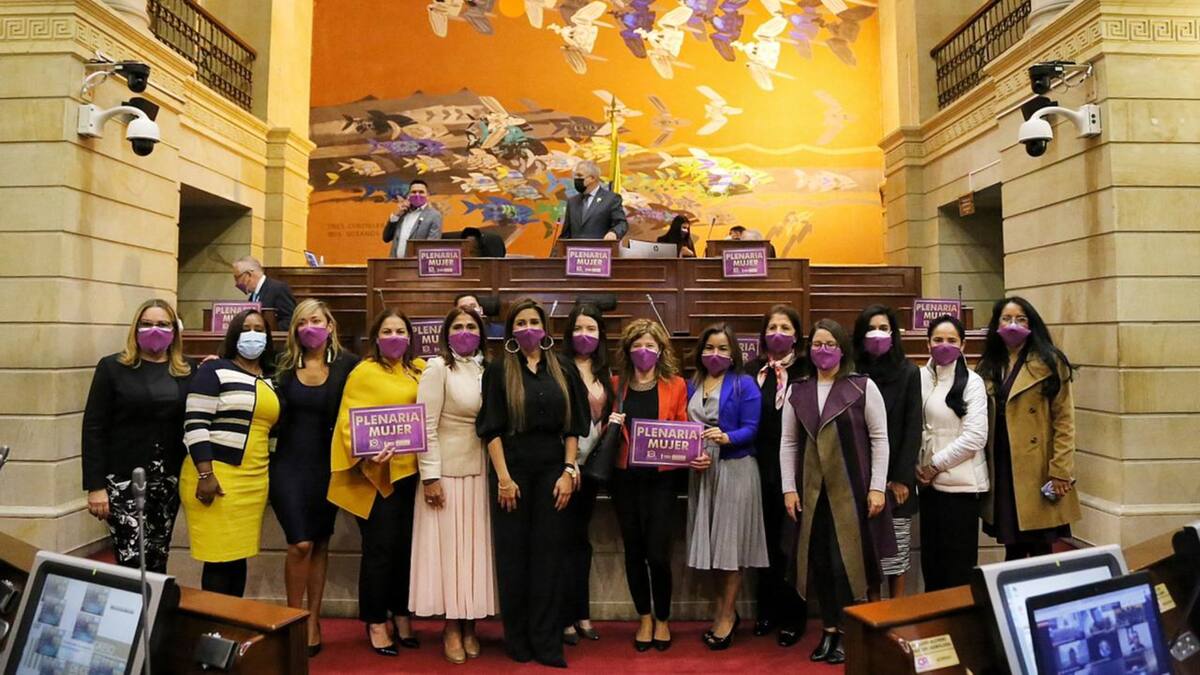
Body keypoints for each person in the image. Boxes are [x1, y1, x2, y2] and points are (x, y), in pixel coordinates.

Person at [476, 299, 589, 668]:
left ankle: (546, 640)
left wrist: (569, 471)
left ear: (545, 328)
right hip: (512, 472)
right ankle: (518, 639)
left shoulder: (563, 368)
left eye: (534, 322)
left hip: (553, 471)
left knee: (549, 557)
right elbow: (491, 429)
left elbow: (573, 426)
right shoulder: (498, 370)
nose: (528, 329)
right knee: (514, 557)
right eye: (521, 323)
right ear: (511, 330)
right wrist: (503, 479)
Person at [780, 318, 894, 665]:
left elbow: (880, 440)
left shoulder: (862, 386)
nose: (823, 350)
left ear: (842, 349)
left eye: (830, 344)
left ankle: (846, 632)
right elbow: (788, 442)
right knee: (820, 564)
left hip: (852, 491)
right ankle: (828, 630)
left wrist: (877, 488)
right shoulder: (797, 390)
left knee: (845, 563)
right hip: (812, 493)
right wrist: (788, 489)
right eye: (817, 344)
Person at [329, 309, 426, 656]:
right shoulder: (363, 372)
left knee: (405, 549)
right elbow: (347, 422)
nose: (394, 337)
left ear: (410, 336)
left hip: (412, 474)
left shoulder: (420, 370)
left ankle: (400, 612)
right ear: (376, 337)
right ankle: (374, 619)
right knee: (380, 550)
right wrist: (367, 452)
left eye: (400, 330)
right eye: (387, 331)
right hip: (375, 476)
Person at [270, 299, 360, 656]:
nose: (310, 327)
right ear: (294, 329)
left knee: (321, 542)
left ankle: (312, 621)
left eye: (316, 320)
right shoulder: (281, 364)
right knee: (301, 543)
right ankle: (293, 619)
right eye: (302, 322)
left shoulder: (349, 365)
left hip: (329, 465)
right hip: (288, 464)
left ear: (330, 325)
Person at [410, 306, 495, 664]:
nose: (464, 332)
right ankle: (451, 627)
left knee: (474, 554)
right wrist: (430, 476)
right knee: (450, 554)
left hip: (482, 473)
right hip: (446, 474)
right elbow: (425, 425)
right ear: (446, 334)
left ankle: (471, 623)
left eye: (471, 326)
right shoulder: (437, 369)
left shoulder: (488, 369)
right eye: (457, 326)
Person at [82, 299, 193, 574]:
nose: (155, 330)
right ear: (135, 328)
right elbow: (94, 428)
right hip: (123, 478)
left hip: (167, 480)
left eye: (163, 324)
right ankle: (132, 601)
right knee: (131, 556)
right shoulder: (112, 367)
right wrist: (95, 486)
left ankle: (153, 603)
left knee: (158, 554)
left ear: (174, 331)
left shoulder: (188, 370)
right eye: (147, 324)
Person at [180, 308, 279, 598]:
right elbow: (195, 422)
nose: (253, 334)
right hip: (216, 476)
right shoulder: (214, 370)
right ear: (234, 334)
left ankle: (232, 620)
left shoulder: (271, 378)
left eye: (259, 329)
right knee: (219, 559)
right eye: (246, 328)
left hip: (254, 478)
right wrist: (206, 474)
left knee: (238, 557)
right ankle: (215, 622)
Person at [605, 319, 690, 652]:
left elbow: (683, 428)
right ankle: (644, 617)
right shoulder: (616, 384)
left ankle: (663, 617)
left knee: (657, 552)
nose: (644, 351)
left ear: (661, 350)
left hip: (662, 479)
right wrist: (610, 424)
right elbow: (602, 431)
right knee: (634, 551)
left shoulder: (676, 385)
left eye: (650, 345)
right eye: (637, 345)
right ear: (628, 350)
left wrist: (693, 452)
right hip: (624, 479)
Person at [976, 296, 1079, 560]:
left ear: (1031, 324)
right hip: (1001, 463)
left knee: (1041, 545)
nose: (1013, 325)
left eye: (1020, 319)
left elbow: (1064, 421)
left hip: (1037, 466)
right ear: (997, 324)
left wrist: (1060, 471)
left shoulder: (1050, 362)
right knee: (1012, 545)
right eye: (1006, 319)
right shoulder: (989, 365)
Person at [686, 323, 768, 651]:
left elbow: (752, 428)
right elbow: (682, 429)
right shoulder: (692, 383)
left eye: (722, 348)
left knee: (730, 548)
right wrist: (690, 455)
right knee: (713, 547)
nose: (715, 354)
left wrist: (727, 437)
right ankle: (722, 609)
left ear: (733, 353)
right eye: (709, 348)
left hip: (735, 469)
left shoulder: (744, 383)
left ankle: (727, 614)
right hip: (703, 473)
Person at [744, 305, 808, 645]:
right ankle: (766, 610)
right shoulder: (750, 371)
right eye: (772, 327)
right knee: (764, 543)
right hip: (758, 467)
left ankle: (793, 615)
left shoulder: (807, 370)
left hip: (797, 470)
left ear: (796, 335)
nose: (778, 333)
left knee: (791, 545)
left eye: (785, 327)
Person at [914, 315, 989, 591]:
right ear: (927, 344)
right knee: (932, 566)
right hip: (928, 488)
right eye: (937, 340)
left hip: (960, 488)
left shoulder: (973, 382)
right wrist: (917, 466)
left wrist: (933, 466)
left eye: (951, 340)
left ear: (963, 345)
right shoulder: (920, 377)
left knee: (957, 571)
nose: (944, 345)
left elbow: (975, 437)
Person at [852, 305, 922, 599]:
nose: (877, 334)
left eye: (883, 328)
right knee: (868, 553)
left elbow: (912, 427)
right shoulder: (852, 372)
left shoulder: (909, 372)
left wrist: (901, 478)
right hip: (861, 475)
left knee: (896, 554)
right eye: (871, 329)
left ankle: (896, 610)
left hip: (897, 479)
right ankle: (873, 610)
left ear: (894, 334)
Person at [559, 304, 613, 646]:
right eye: (578, 328)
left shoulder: (605, 372)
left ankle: (582, 613)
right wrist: (568, 463)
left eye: (591, 329)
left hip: (591, 471)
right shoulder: (558, 366)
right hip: (565, 469)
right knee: (562, 543)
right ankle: (564, 616)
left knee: (581, 542)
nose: (584, 335)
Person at [559, 161, 628, 240]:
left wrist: (614, 233)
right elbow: (566, 234)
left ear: (592, 178)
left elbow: (621, 223)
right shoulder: (572, 201)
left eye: (579, 175)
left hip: (600, 247)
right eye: (575, 175)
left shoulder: (611, 199)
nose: (576, 178)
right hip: (575, 247)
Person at [383, 179, 443, 257]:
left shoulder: (434, 215)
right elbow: (386, 238)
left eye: (421, 192)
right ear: (409, 195)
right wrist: (396, 216)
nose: (417, 195)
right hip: (395, 262)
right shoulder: (402, 213)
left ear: (428, 195)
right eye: (414, 192)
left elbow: (431, 247)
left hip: (416, 263)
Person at [232, 256, 296, 327]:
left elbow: (291, 319)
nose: (236, 283)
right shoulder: (253, 296)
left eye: (237, 278)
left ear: (249, 274)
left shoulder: (278, 289)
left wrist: (268, 330)